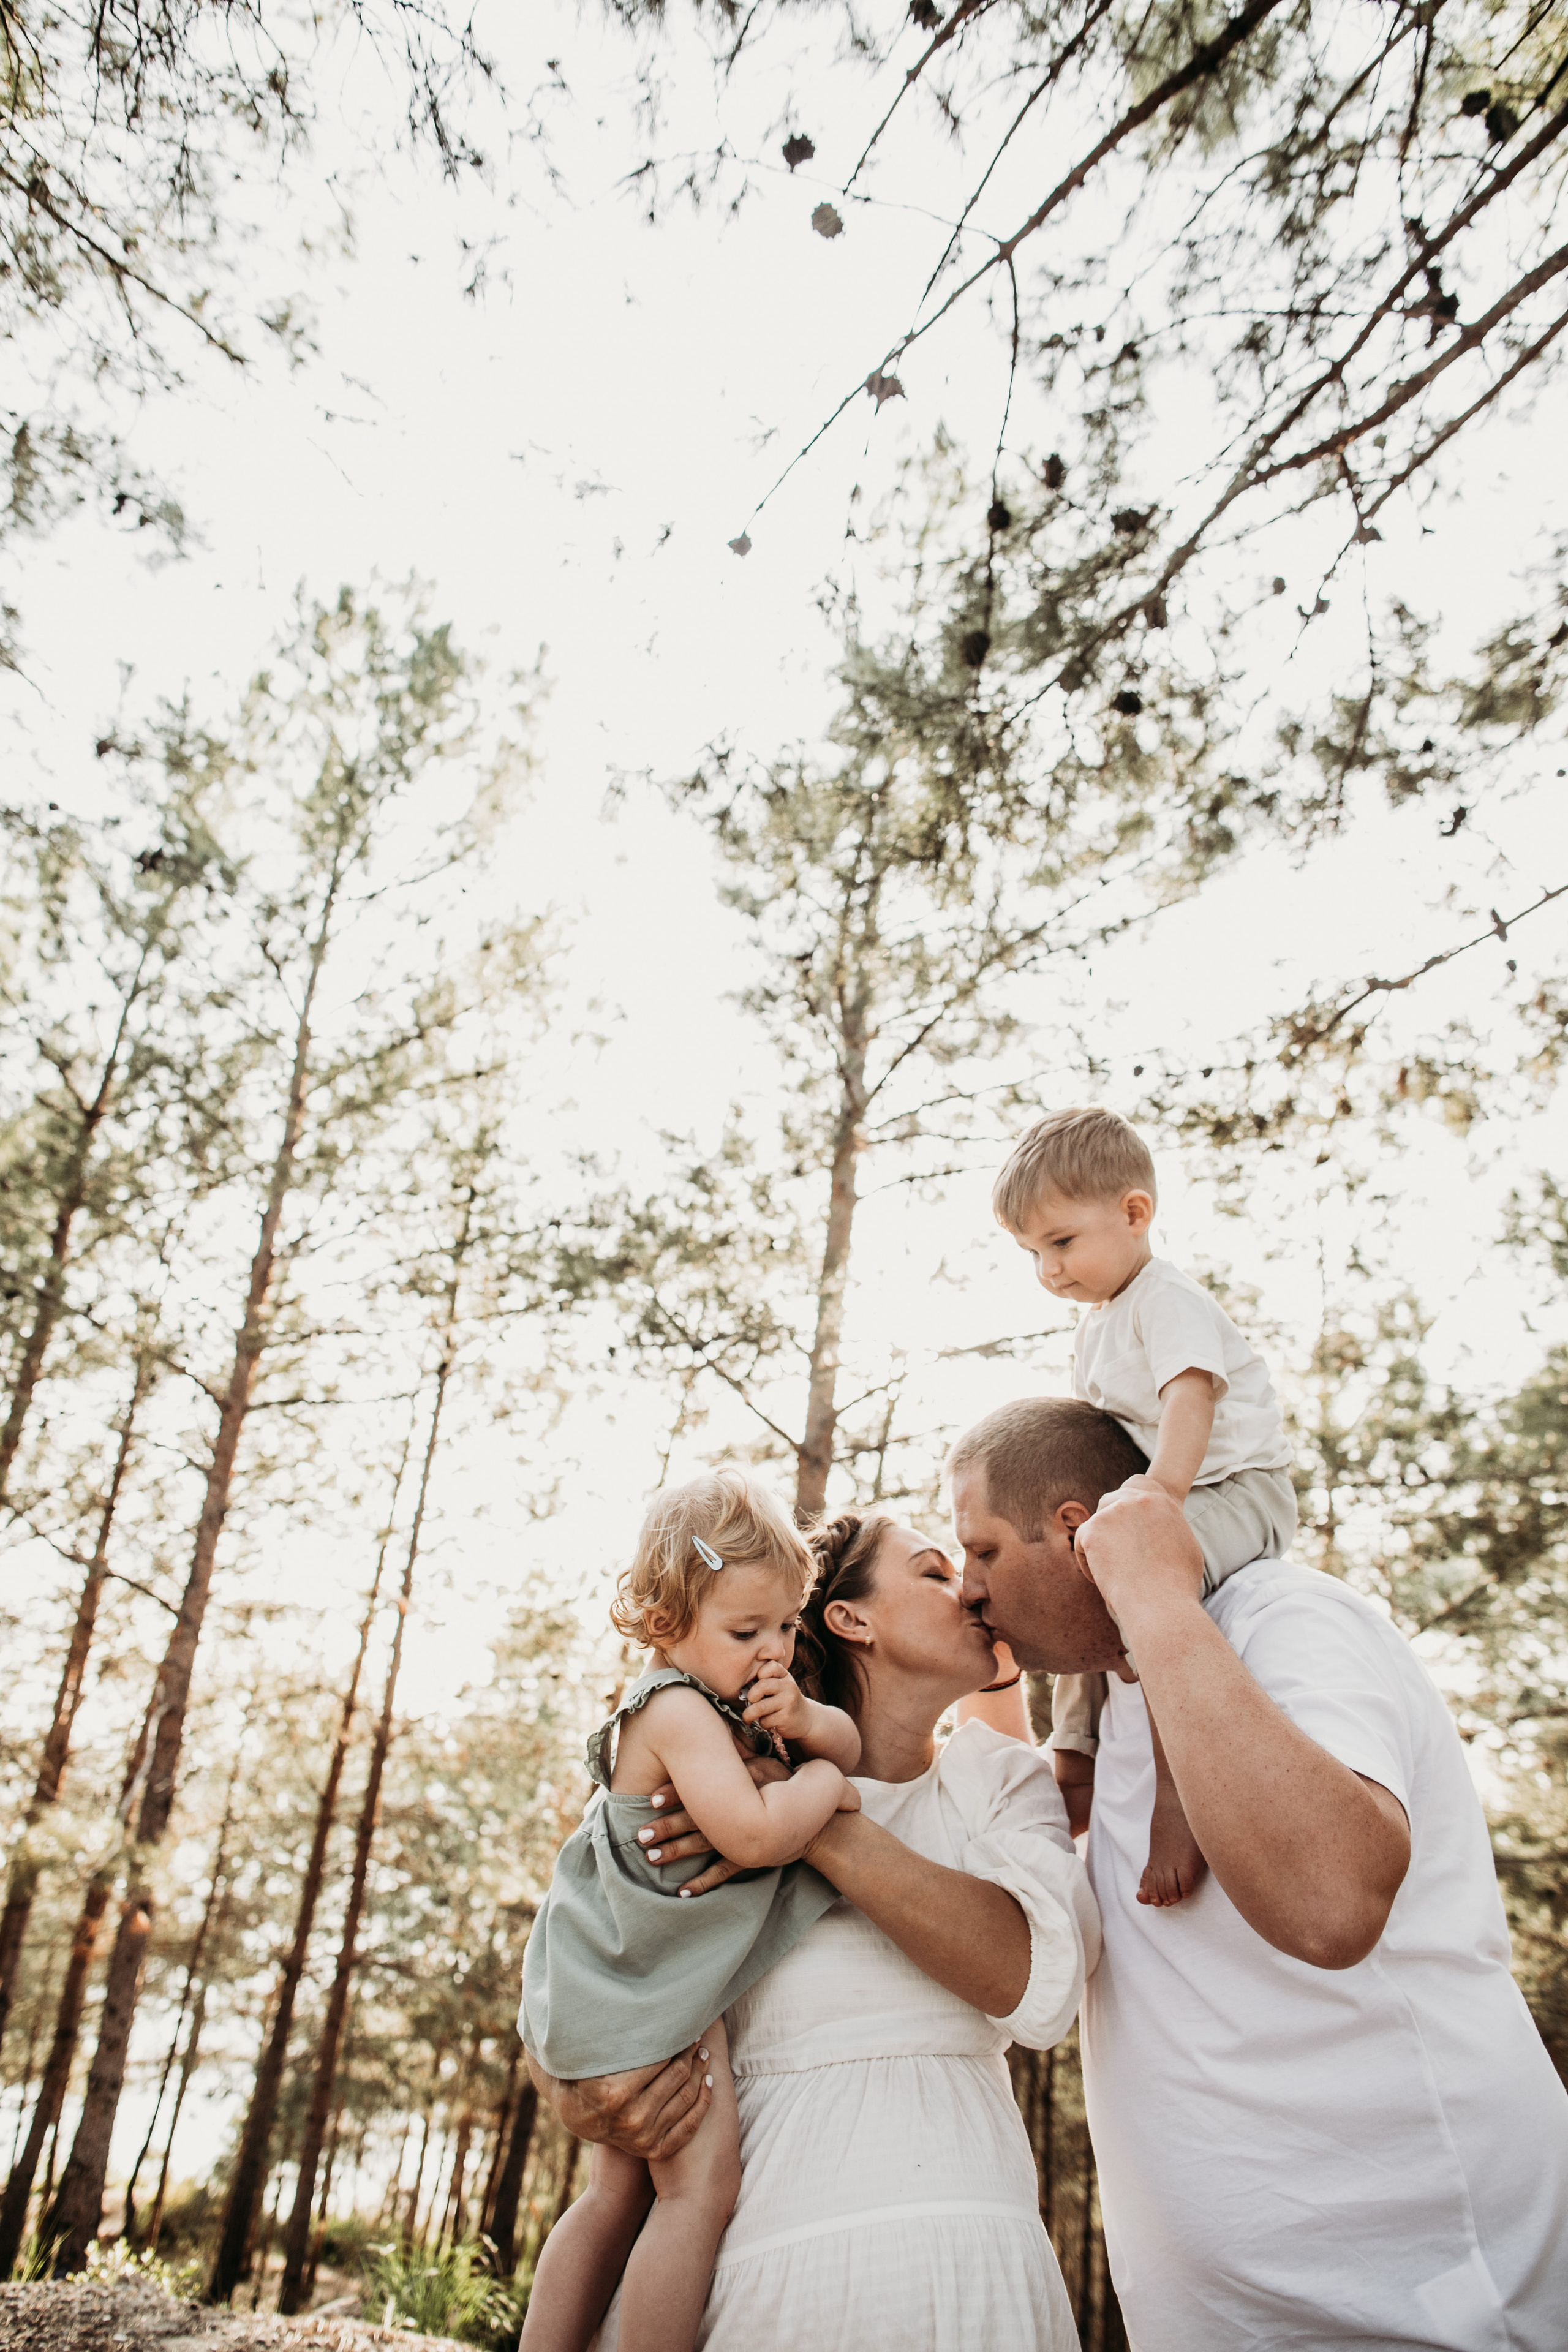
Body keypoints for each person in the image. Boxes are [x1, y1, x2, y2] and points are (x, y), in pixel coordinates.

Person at [951, 1395, 1568, 2352]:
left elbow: (1331, 1904)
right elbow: (1018, 1875)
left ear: (1080, 1530)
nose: (965, 1588)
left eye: (982, 1551)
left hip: (1429, 2305)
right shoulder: (1118, 1709)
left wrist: (1150, 1592)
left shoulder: (1288, 1617)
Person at [527, 1509, 1101, 2352]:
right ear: (850, 1618)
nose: (973, 1589)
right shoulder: (711, 1767)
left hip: (979, 2273)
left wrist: (816, 1823)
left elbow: (1042, 1990)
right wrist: (565, 2083)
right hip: (763, 2289)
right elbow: (596, 1937)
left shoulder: (994, 1780)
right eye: (937, 1572)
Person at [518, 1469, 862, 2352]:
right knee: (696, 2192)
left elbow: (847, 1743)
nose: (775, 1650)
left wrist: (816, 1732)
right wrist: (822, 1784)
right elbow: (752, 1835)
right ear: (667, 1626)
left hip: (636, 1968)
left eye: (787, 1625)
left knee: (619, 2193)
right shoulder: (674, 1709)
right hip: (643, 1976)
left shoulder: (731, 1696)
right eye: (746, 1630)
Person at [992, 1105, 1297, 1904]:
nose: (1049, 1270)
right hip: (1162, 1497)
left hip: (1235, 1489)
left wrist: (1161, 1494)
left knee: (1143, 1590)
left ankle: (1177, 1796)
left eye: (1061, 1243)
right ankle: (1076, 1757)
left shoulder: (1167, 1299)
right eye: (1032, 1254)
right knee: (1079, 1589)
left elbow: (1188, 1394)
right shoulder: (1095, 1328)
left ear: (1134, 1214)